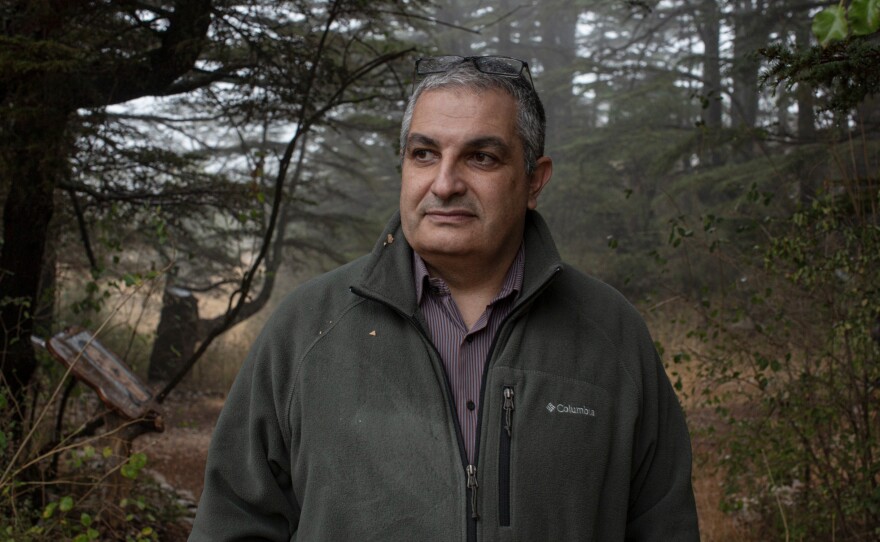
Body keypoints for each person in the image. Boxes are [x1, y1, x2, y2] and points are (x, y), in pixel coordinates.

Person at [190, 55, 700, 541]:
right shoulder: (306, 330)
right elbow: (232, 523)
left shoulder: (612, 336)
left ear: (534, 181)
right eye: (424, 154)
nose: (445, 183)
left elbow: (664, 527)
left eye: (481, 157)